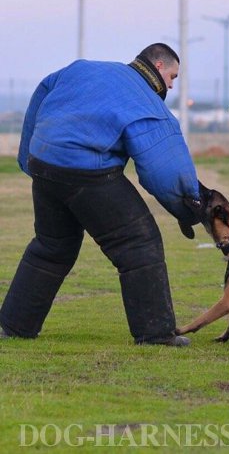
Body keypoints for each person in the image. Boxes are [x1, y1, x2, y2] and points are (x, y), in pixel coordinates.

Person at [0, 43, 201, 346]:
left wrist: (29, 158)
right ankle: (155, 334)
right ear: (159, 67)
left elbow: (41, 96)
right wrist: (188, 209)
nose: (172, 85)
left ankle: (14, 326)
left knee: (52, 247)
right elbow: (164, 167)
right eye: (173, 77)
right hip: (87, 171)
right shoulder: (145, 101)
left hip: (45, 164)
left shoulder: (83, 69)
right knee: (139, 244)